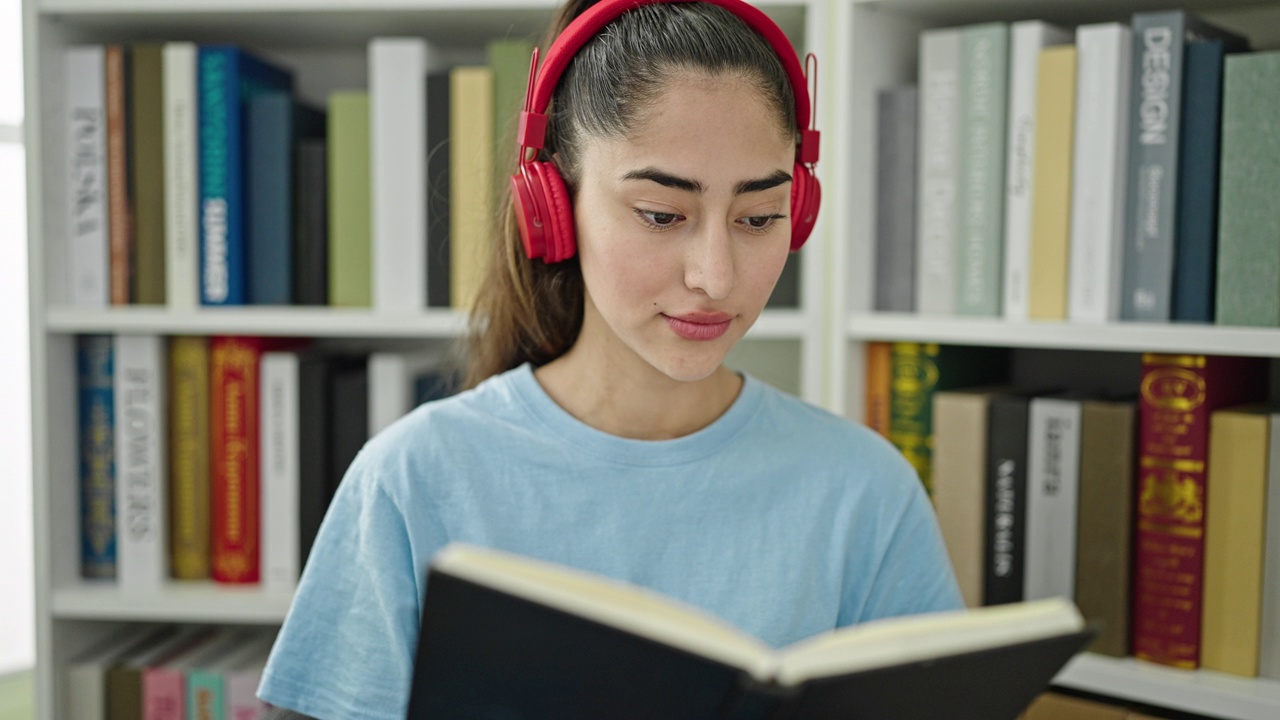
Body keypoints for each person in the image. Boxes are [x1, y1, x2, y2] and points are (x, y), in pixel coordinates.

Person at [257, 1, 962, 717]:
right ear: (552, 204)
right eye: (661, 214)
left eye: (758, 218)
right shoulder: (413, 480)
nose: (715, 277)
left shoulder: (866, 491)